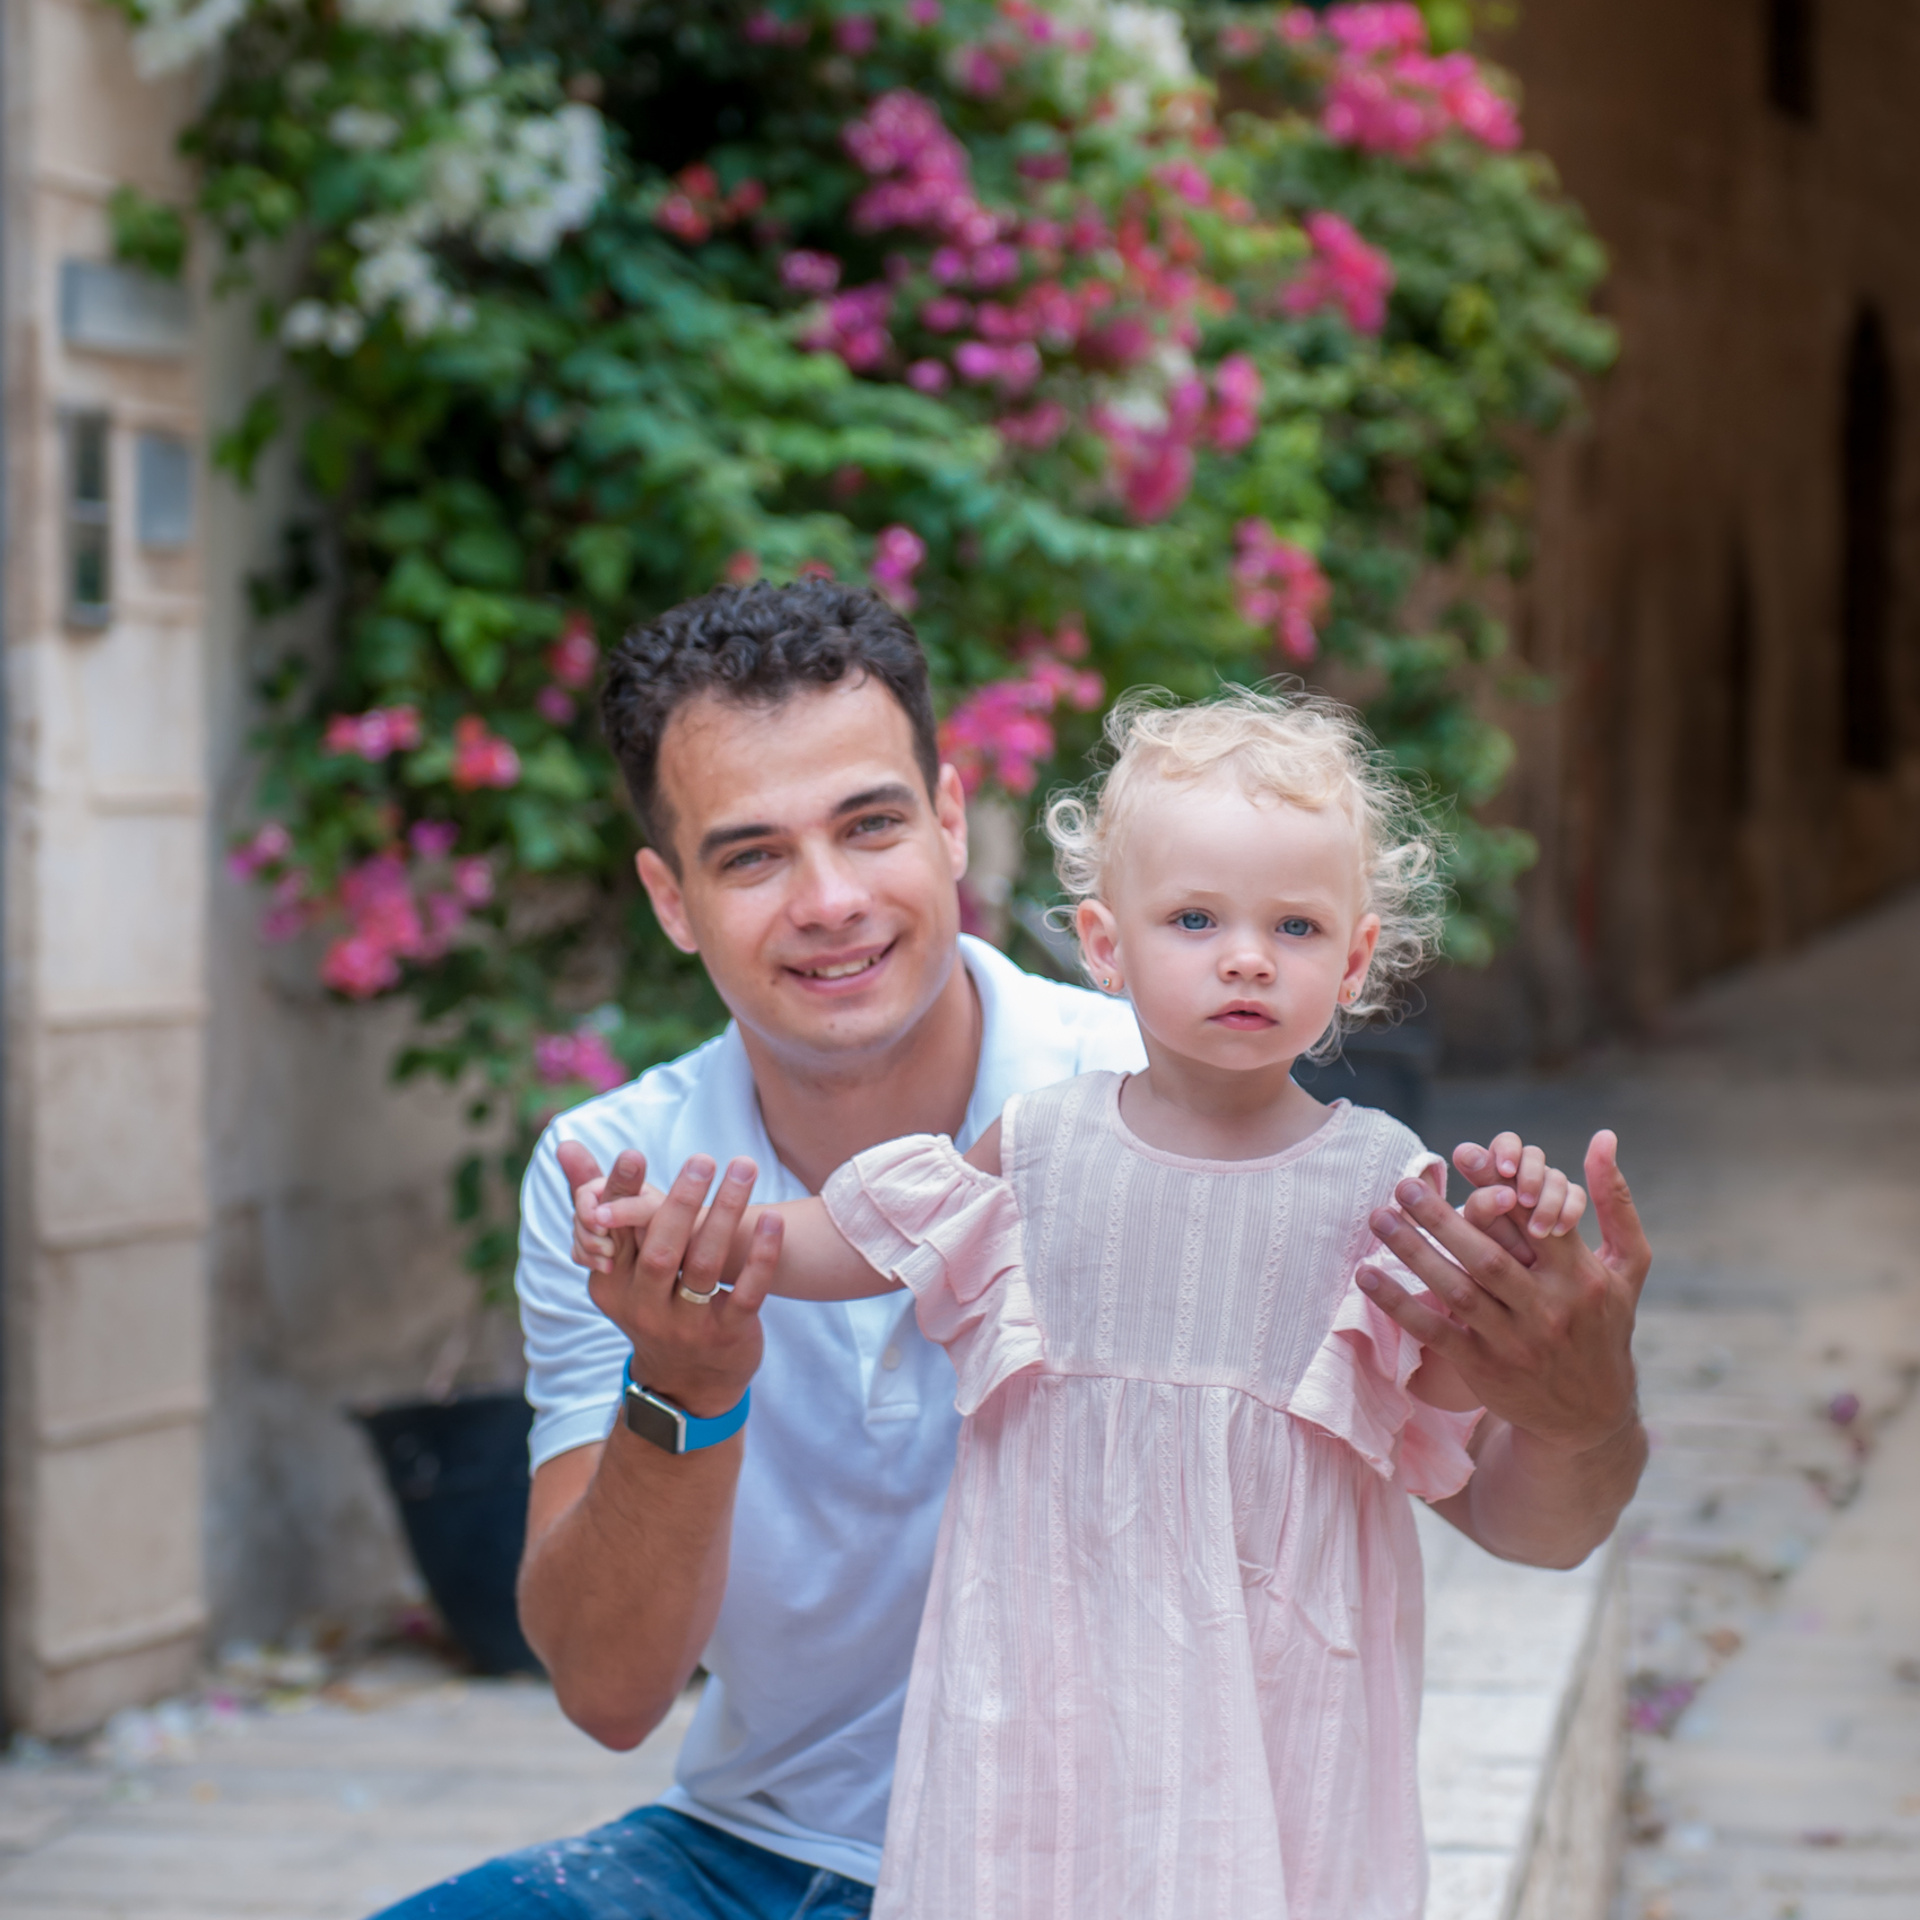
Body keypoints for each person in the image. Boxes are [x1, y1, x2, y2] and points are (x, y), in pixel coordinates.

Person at [376, 585, 1649, 1919]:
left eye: (870, 826)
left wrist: (1578, 1401)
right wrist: (683, 1387)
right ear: (672, 899)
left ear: (946, 820)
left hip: (1148, 1862)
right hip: (755, 1857)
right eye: (751, 857)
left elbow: (1523, 1515)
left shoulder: (1198, 1099)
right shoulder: (624, 1174)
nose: (829, 900)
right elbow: (608, 1693)